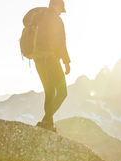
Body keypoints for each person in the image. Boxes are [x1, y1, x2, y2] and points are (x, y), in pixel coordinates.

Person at [33, 0, 70, 132]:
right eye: (61, 9)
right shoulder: (56, 20)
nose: (61, 12)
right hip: (50, 60)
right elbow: (61, 43)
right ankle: (46, 120)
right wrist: (66, 62)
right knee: (62, 92)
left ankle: (49, 124)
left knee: (49, 92)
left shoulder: (40, 17)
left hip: (38, 60)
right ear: (57, 6)